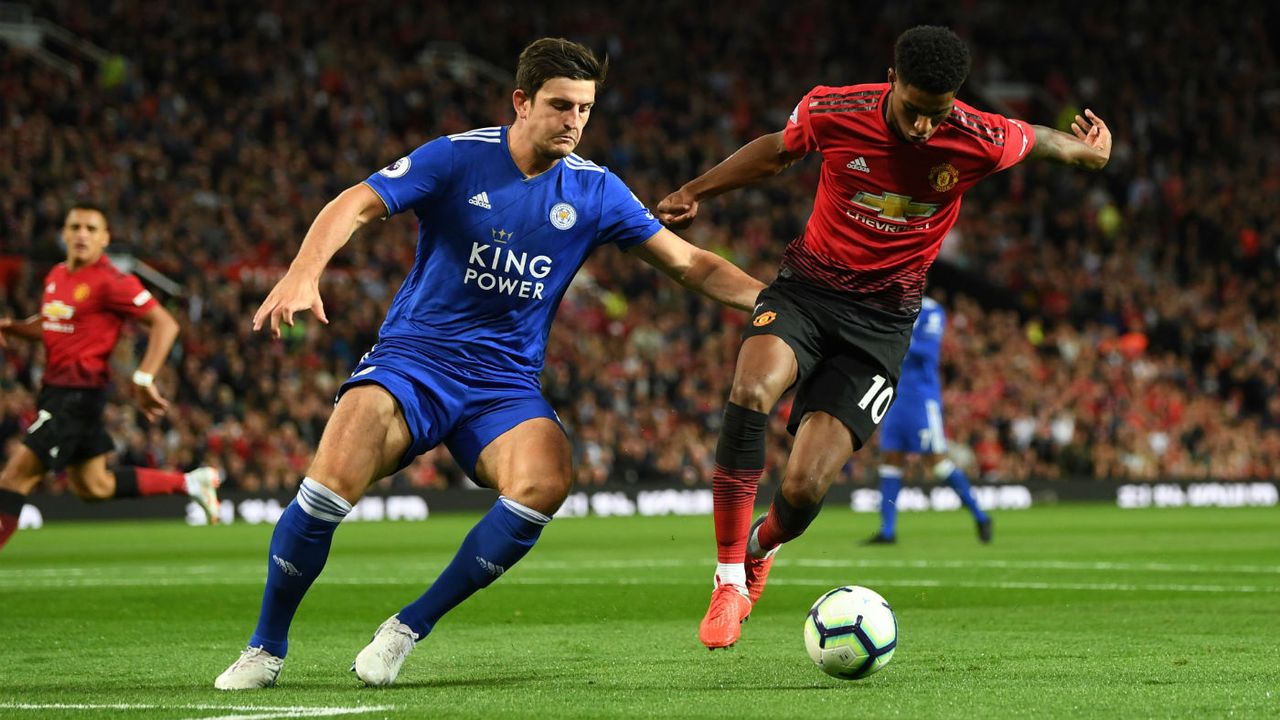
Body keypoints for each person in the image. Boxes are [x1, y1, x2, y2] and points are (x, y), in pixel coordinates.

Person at [213, 37, 764, 690]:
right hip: (413, 362)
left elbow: (690, 263)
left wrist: (776, 304)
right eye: (561, 105)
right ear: (521, 101)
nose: (574, 121)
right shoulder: (456, 157)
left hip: (503, 386)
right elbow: (355, 202)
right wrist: (305, 272)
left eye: (585, 109)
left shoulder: (595, 190)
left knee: (545, 481)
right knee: (330, 483)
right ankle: (266, 647)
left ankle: (406, 629)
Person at [655, 25, 1111, 649]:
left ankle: (761, 550)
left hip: (883, 324)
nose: (925, 127)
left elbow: (1044, 141)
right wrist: (694, 191)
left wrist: (1092, 152)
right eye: (914, 110)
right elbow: (775, 151)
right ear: (891, 80)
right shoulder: (836, 109)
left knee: (804, 489)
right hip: (807, 292)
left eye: (938, 113)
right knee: (752, 386)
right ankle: (729, 578)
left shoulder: (979, 136)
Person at [0, 203, 222, 553]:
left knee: (14, 477)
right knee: (94, 486)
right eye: (75, 227)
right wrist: (14, 328)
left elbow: (165, 323)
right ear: (64, 233)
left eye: (91, 229)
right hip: (54, 392)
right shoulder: (57, 275)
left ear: (105, 238)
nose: (82, 234)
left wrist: (145, 376)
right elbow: (52, 323)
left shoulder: (112, 281)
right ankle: (190, 483)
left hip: (77, 396)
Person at [864, 292, 991, 545]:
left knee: (936, 461)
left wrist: (893, 336)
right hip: (895, 394)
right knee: (890, 458)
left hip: (922, 397)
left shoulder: (931, 311)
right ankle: (887, 531)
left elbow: (928, 351)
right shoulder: (890, 307)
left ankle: (980, 515)